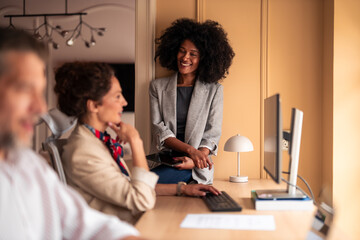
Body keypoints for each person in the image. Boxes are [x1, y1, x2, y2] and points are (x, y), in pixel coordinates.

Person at [0, 28, 140, 239]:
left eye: (40, 92)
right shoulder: (82, 149)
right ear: (93, 105)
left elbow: (84, 224)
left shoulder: (30, 166)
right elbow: (137, 198)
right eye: (24, 89)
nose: (40, 107)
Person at [55, 62, 220, 224]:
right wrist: (136, 142)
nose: (124, 102)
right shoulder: (84, 153)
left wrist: (183, 189)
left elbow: (129, 186)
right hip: (120, 228)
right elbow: (141, 199)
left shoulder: (97, 140)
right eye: (117, 96)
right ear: (93, 105)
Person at [150, 18, 235, 184]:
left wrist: (195, 159)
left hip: (197, 166)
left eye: (193, 54)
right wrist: (191, 151)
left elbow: (212, 134)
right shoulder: (157, 87)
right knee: (141, 183)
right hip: (169, 160)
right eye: (182, 51)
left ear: (203, 58)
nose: (185, 57)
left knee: (147, 185)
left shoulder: (214, 90)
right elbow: (159, 130)